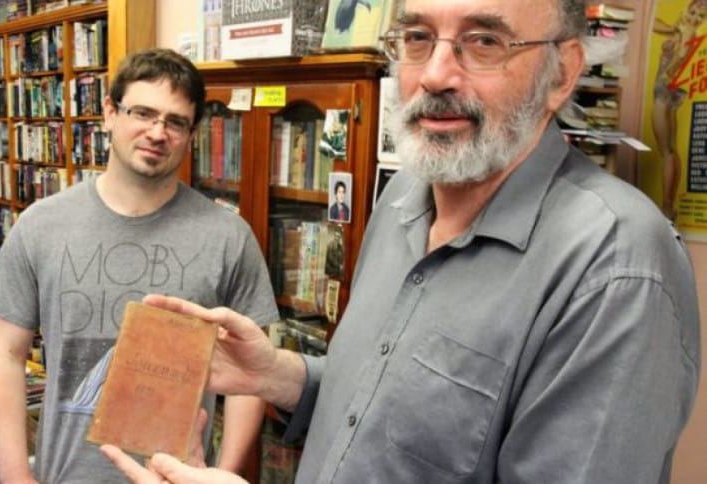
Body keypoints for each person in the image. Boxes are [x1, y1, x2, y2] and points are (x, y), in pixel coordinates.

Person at [103, 1, 702, 483]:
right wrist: (281, 375)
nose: (435, 75)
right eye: (417, 37)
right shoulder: (402, 200)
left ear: (562, 72)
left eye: (484, 41)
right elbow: (384, 404)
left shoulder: (616, 265)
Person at [0, 48, 279, 483]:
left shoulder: (229, 238)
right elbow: (4, 353)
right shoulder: (41, 225)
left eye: (175, 122)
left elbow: (250, 377)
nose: (157, 132)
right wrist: (14, 478)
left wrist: (223, 474)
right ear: (109, 113)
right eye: (143, 113)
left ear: (191, 134)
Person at [651, 0, 707, 219]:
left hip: (664, 96)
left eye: (700, 16)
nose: (694, 18)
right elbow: (653, 24)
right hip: (670, 96)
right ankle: (669, 205)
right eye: (692, 12)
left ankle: (666, 206)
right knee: (671, 150)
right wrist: (675, 28)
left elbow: (676, 65)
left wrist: (671, 64)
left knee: (666, 152)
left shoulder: (688, 34)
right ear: (686, 10)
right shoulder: (682, 31)